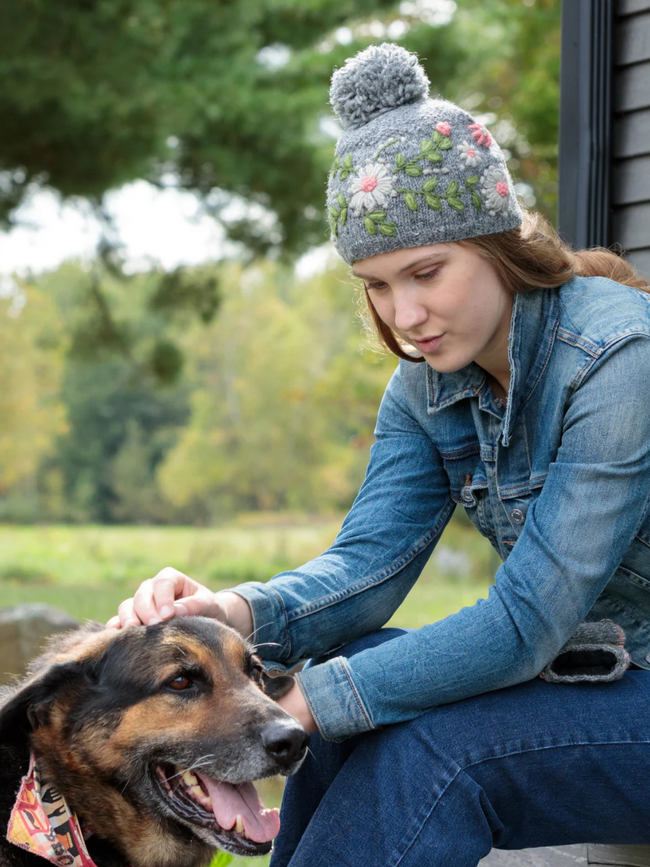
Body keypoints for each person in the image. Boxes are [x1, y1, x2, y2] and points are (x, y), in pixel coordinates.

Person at [108, 44, 650, 866]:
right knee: (358, 666)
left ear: (497, 240)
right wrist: (234, 614)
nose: (408, 314)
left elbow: (525, 626)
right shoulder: (430, 383)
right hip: (597, 679)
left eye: (426, 272)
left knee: (426, 747)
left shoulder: (618, 361)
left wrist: (317, 698)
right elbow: (366, 566)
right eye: (377, 284)